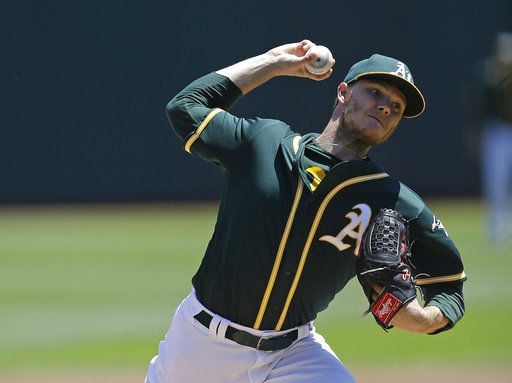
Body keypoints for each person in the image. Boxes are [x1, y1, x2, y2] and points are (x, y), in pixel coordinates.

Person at [145, 40, 466, 383]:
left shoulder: (390, 198)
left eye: (397, 106)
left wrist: (423, 319)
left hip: (293, 354)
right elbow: (185, 107)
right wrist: (271, 63)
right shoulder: (265, 143)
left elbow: (450, 285)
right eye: (375, 92)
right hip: (200, 347)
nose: (386, 107)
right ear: (343, 93)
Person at [461, 31, 512, 252]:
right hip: (496, 130)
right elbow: (476, 106)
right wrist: (476, 133)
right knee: (496, 181)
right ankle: (497, 229)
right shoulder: (487, 75)